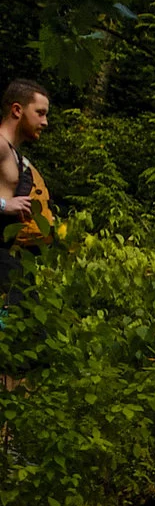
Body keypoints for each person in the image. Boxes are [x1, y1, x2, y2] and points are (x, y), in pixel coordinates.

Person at [0, 80, 52, 324]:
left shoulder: (15, 155)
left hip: (10, 260)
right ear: (17, 110)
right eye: (40, 113)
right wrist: (4, 205)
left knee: (29, 332)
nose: (45, 122)